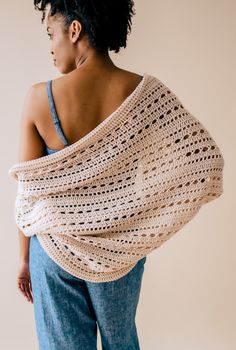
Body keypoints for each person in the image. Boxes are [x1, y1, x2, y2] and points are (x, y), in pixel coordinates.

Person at [17, 1, 147, 349]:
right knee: (121, 342)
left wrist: (23, 260)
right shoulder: (143, 94)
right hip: (118, 252)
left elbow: (28, 194)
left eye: (51, 34)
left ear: (74, 31)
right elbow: (198, 159)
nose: (50, 46)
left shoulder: (38, 98)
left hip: (54, 249)